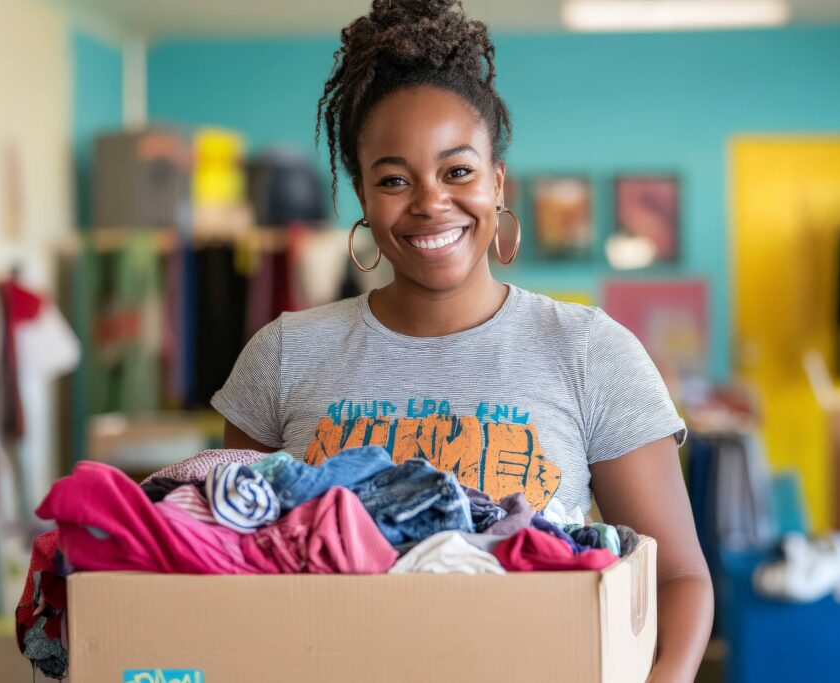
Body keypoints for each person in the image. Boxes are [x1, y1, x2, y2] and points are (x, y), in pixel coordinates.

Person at [214, 1, 712, 679]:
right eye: (394, 179)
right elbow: (224, 573)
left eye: (458, 171)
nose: (430, 202)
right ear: (361, 193)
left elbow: (680, 577)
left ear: (497, 181)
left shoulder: (590, 350)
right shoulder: (281, 356)